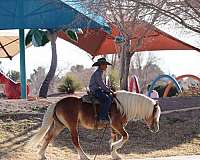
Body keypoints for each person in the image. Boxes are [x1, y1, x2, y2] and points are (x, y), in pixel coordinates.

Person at [89, 57, 113, 125]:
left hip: (99, 89)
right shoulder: (97, 73)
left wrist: (108, 89)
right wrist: (109, 90)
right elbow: (101, 84)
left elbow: (103, 84)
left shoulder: (100, 73)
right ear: (101, 65)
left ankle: (106, 114)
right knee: (107, 99)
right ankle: (101, 118)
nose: (106, 66)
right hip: (95, 90)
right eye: (105, 65)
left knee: (110, 97)